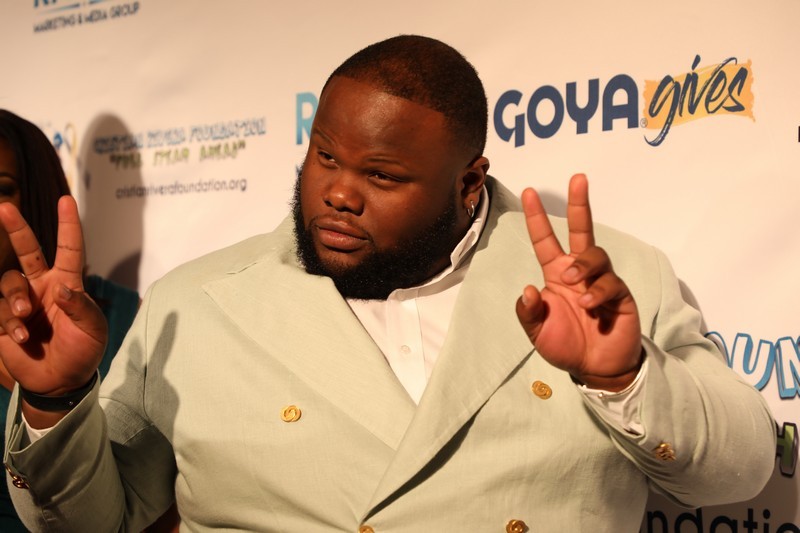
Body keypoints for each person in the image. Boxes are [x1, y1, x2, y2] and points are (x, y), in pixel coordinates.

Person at [0, 36, 775, 531]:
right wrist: (55, 400)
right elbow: (90, 521)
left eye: (382, 175)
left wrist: (624, 376)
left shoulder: (600, 282)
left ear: (469, 181)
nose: (338, 192)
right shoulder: (197, 302)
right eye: (325, 156)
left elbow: (740, 470)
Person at [0, 109, 175, 532]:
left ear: (37, 193)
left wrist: (57, 398)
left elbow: (162, 502)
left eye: (1, 189)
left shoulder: (126, 317)